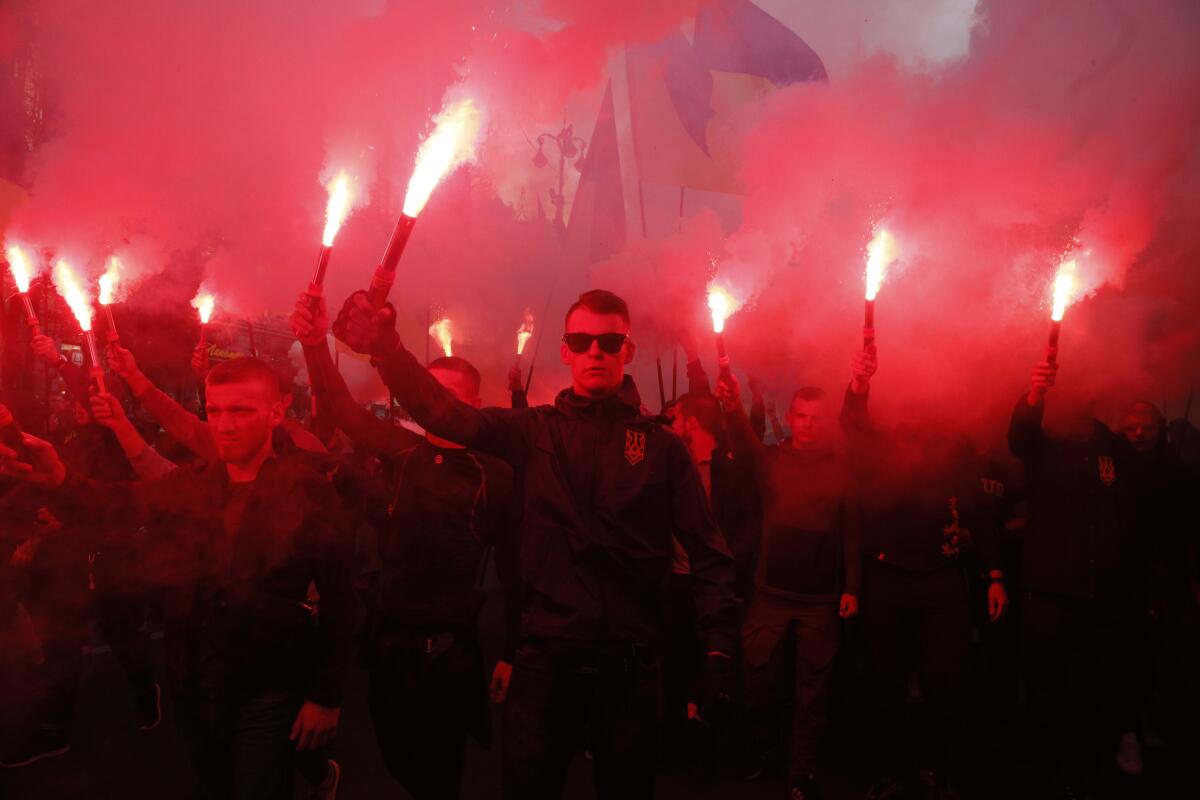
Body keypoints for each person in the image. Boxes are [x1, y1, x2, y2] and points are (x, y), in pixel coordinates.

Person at [333, 288, 739, 800]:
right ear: (566, 350)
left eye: (610, 341)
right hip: (545, 665)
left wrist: (721, 650)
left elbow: (709, 553)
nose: (596, 351)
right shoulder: (534, 431)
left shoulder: (662, 449)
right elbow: (445, 414)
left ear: (627, 351)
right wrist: (388, 349)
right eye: (582, 340)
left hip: (629, 667)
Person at [0, 357, 353, 800]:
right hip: (194, 677)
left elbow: (342, 597)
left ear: (276, 413)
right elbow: (120, 505)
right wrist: (60, 479)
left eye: (240, 410)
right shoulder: (194, 483)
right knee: (213, 784)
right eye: (215, 410)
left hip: (269, 682)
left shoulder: (307, 489)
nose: (224, 424)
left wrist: (325, 696)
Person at [293, 293, 518, 799]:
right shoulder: (402, 454)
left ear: (473, 406)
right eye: (425, 392)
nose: (430, 405)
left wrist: (511, 651)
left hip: (449, 653)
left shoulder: (495, 475)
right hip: (389, 644)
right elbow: (344, 412)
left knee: (438, 775)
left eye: (445, 397)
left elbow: (516, 569)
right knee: (394, 750)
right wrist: (313, 343)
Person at [840, 349, 1009, 797]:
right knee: (883, 676)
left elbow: (979, 509)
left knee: (945, 680)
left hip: (940, 578)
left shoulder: (950, 446)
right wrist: (858, 385)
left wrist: (995, 575)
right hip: (887, 575)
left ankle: (935, 765)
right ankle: (887, 770)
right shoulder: (875, 440)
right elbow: (852, 421)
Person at [716, 372, 860, 800]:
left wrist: (852, 585)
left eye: (817, 417)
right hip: (770, 594)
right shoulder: (774, 460)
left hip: (819, 599)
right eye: (802, 416)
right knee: (757, 680)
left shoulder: (841, 466)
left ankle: (801, 773)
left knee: (811, 693)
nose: (809, 424)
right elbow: (743, 442)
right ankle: (761, 751)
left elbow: (851, 527)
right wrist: (730, 406)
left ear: (826, 422)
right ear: (792, 419)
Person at [1009, 358, 1147, 798]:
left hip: (1101, 599)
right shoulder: (1044, 442)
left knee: (1091, 691)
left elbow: (1131, 515)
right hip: (1050, 594)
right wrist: (1033, 396)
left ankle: (1082, 776)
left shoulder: (1114, 448)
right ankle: (1040, 778)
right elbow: (1020, 436)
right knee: (1046, 689)